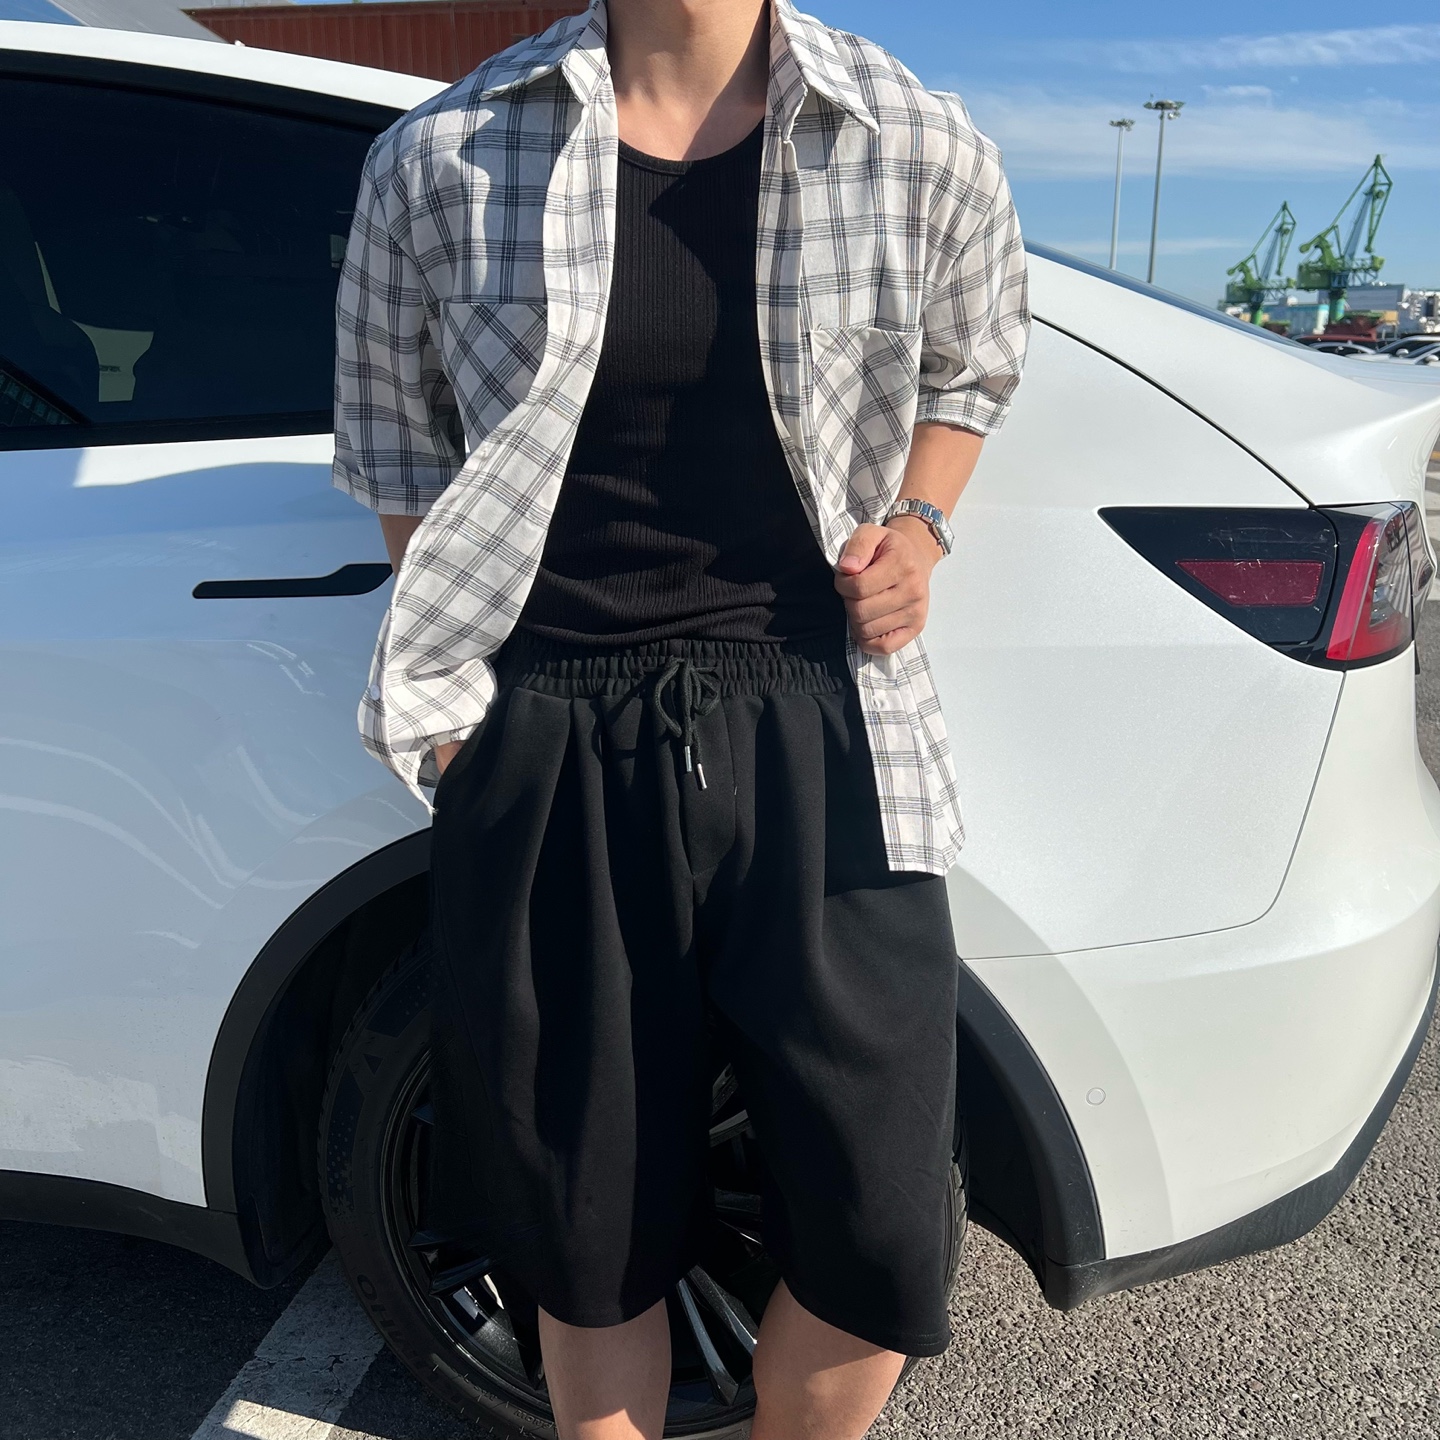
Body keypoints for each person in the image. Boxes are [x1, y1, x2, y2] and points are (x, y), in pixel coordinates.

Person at [333, 0, 1028, 1434]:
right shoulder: (442, 155)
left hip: (828, 728)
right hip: (553, 728)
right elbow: (397, 452)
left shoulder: (915, 138)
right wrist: (471, 729)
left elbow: (973, 367)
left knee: (880, 1222)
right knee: (582, 1231)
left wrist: (919, 525)